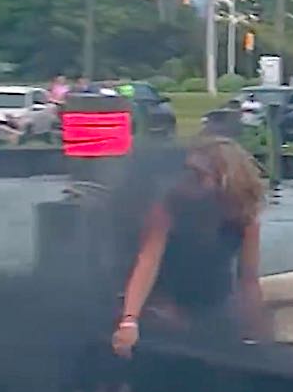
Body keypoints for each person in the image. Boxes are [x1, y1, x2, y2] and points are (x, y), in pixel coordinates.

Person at [110, 136, 269, 359]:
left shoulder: (243, 218)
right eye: (186, 171)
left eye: (197, 175)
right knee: (165, 323)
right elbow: (147, 260)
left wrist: (256, 333)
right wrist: (129, 320)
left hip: (212, 305)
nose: (186, 180)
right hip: (164, 302)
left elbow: (248, 280)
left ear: (223, 180)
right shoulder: (170, 207)